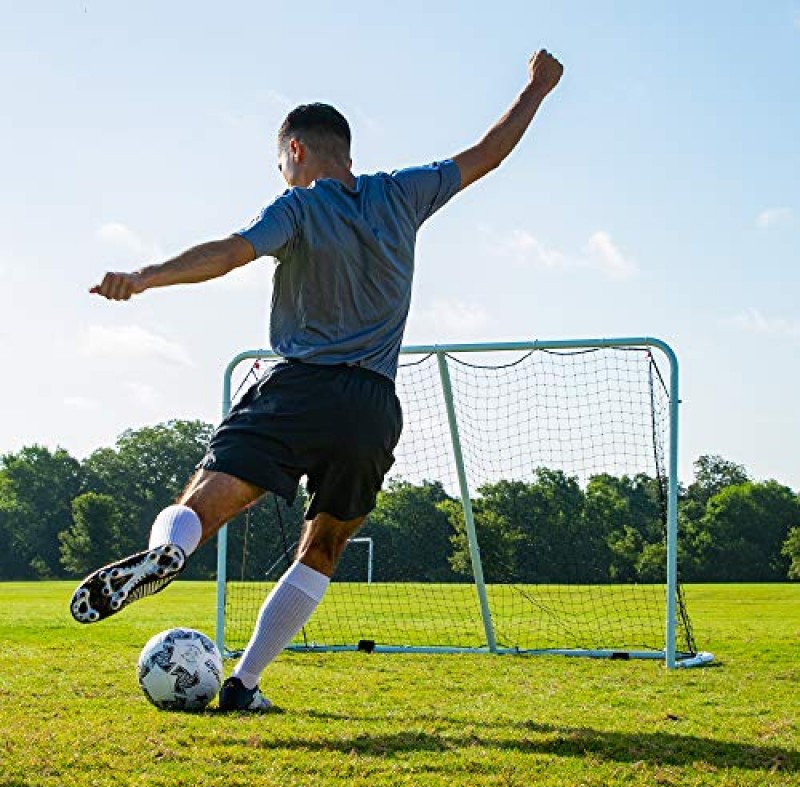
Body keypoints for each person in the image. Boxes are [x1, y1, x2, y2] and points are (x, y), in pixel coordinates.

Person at [70, 50, 564, 711]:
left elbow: (230, 250)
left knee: (203, 504)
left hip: (300, 388)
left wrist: (148, 276)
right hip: (372, 408)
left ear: (295, 150)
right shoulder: (404, 192)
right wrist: (536, 88)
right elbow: (489, 152)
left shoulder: (299, 206)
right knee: (326, 542)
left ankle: (167, 552)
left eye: (280, 161)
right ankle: (243, 684)